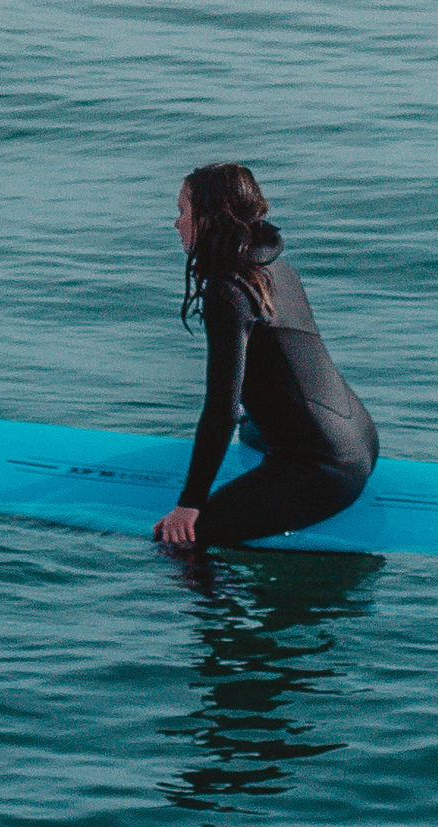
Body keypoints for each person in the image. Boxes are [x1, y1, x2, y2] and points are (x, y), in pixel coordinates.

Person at [153, 163, 379, 553]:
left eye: (182, 212)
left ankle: (215, 611)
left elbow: (222, 407)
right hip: (360, 435)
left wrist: (189, 504)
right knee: (251, 430)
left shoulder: (229, 291)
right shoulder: (272, 266)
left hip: (324, 470)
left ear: (210, 218)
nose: (177, 223)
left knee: (177, 542)